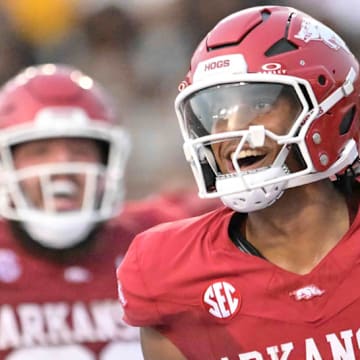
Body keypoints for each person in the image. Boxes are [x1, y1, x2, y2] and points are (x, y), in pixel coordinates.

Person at [117, 5, 360, 359]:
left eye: (259, 103)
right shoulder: (170, 274)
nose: (230, 131)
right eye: (216, 112)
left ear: (328, 107)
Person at [0, 63, 218, 359]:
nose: (63, 167)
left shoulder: (156, 242)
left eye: (80, 150)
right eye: (40, 151)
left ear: (108, 161)